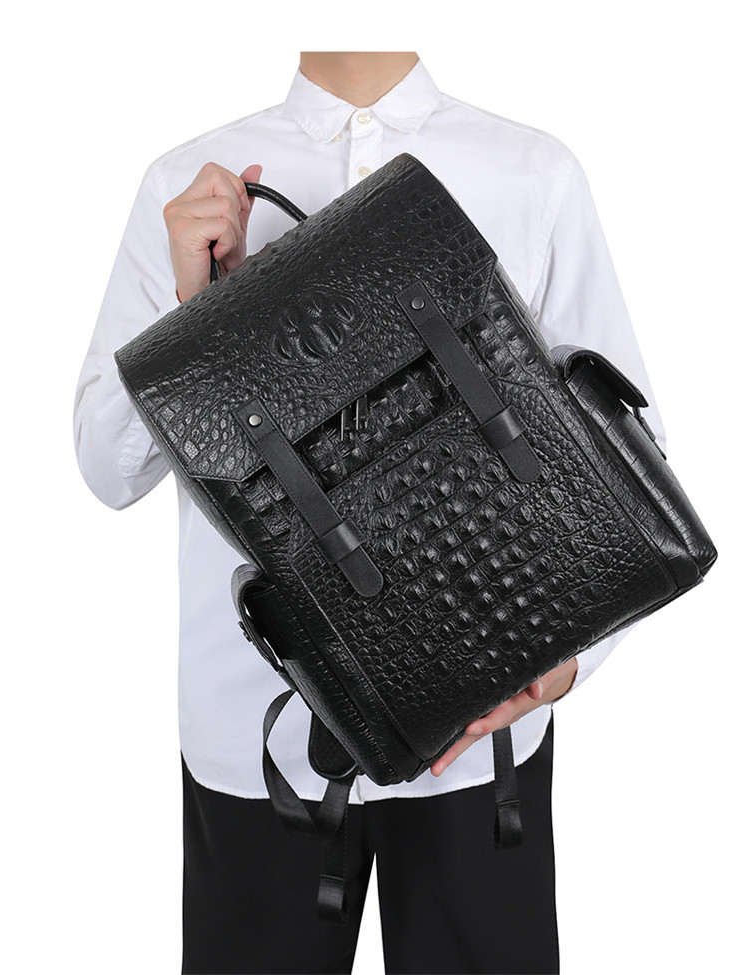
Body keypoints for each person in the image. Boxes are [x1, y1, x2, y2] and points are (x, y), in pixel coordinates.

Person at [73, 51, 666, 975]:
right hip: (260, 731)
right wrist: (192, 308)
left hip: (484, 734)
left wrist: (568, 666)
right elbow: (108, 468)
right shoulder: (191, 185)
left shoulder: (529, 172)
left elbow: (629, 448)